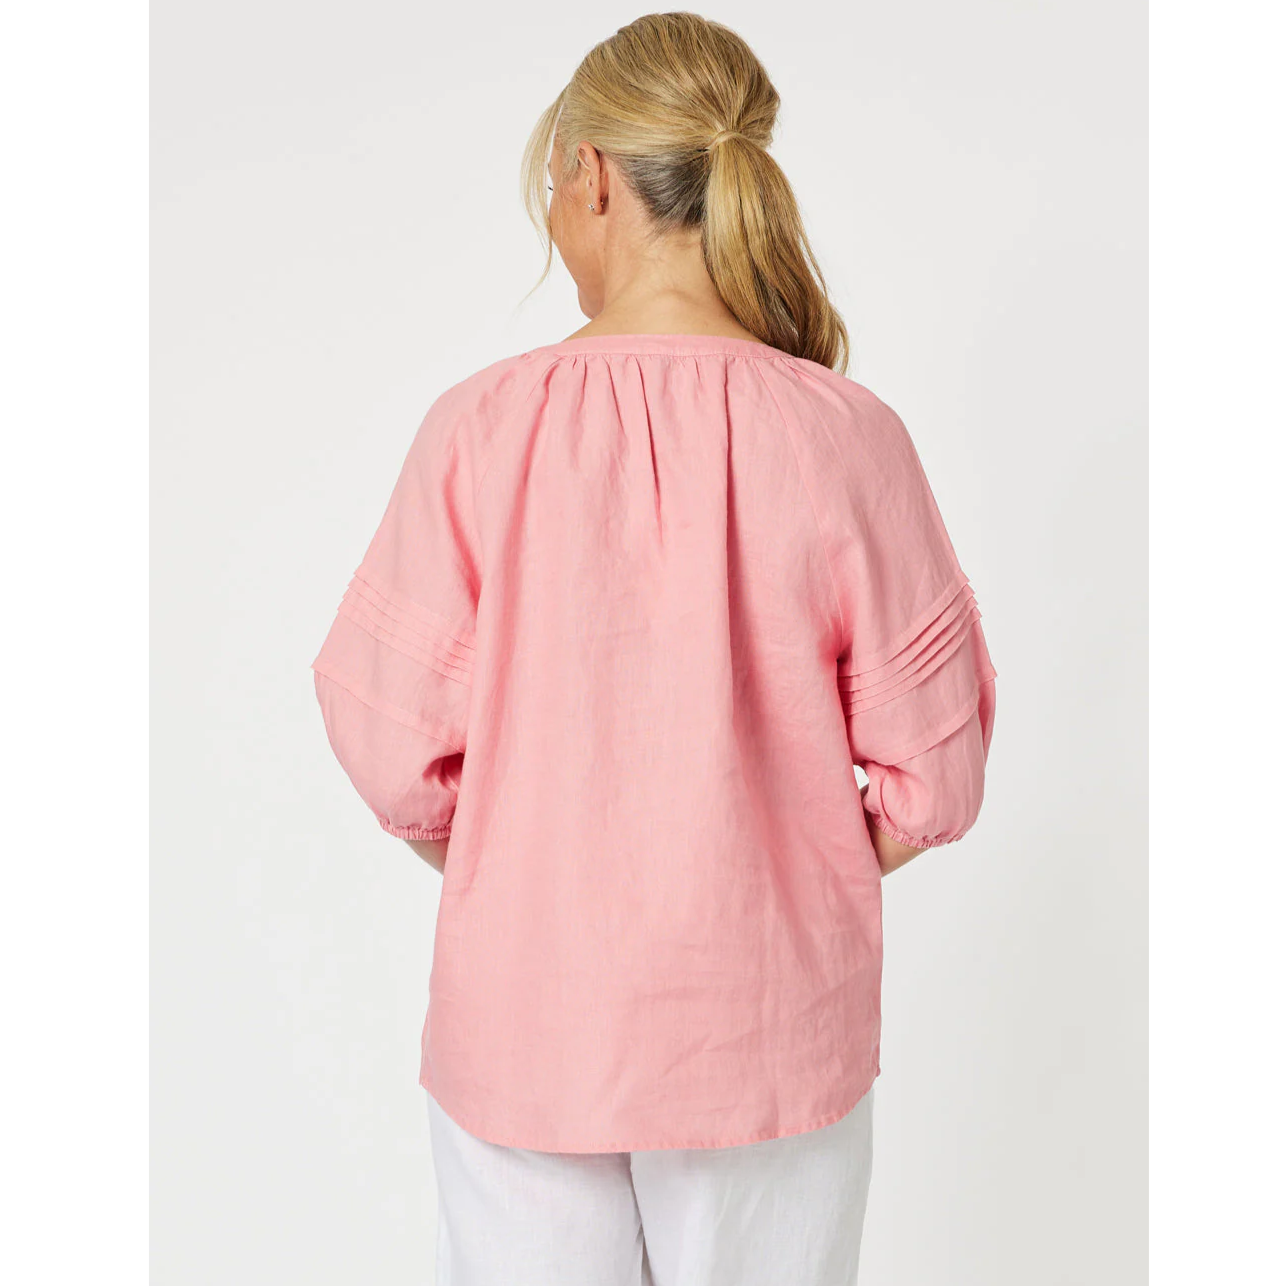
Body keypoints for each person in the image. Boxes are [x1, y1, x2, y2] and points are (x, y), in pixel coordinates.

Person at [311, 12, 997, 1285]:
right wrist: (776, 872)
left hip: (525, 1026)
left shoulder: (479, 428)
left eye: (550, 188)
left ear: (590, 178)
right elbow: (936, 773)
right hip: (769, 1034)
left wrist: (533, 871)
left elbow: (390, 741)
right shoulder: (848, 435)